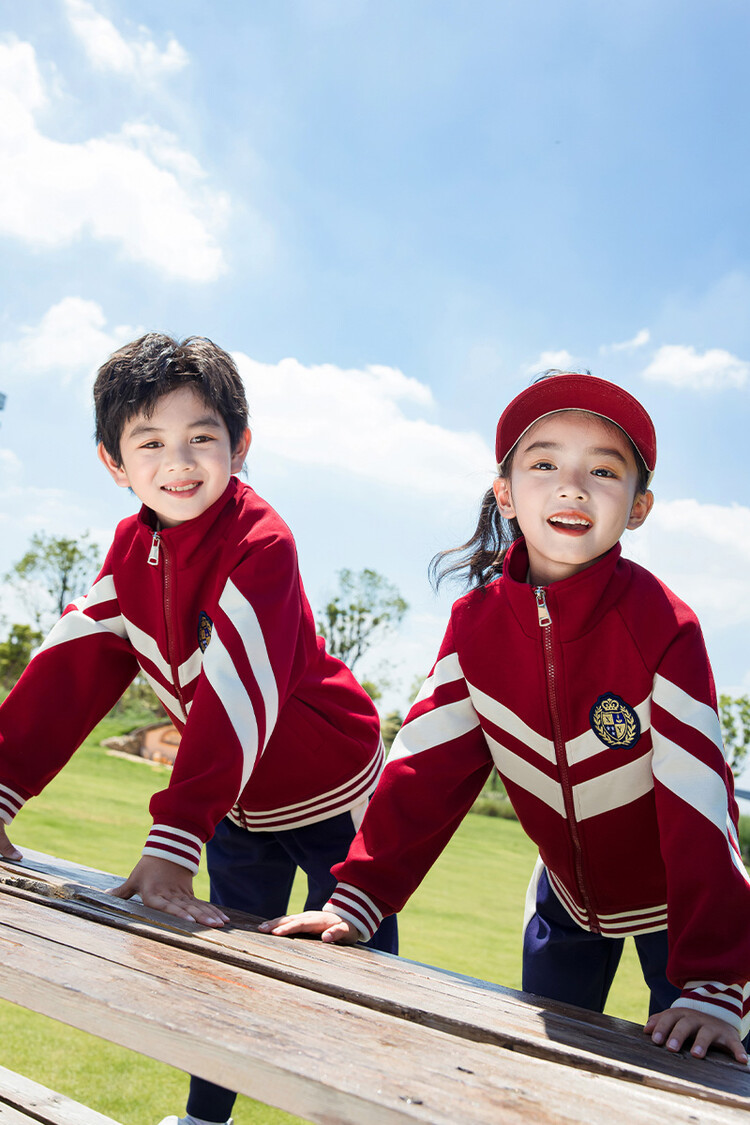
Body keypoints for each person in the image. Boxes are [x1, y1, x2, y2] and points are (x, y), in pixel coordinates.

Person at [261, 371, 750, 1066]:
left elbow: (699, 802)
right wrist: (357, 898)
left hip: (681, 911)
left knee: (706, 1074)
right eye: (544, 464)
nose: (572, 487)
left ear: (639, 507)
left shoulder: (665, 627)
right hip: (564, 900)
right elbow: (425, 771)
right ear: (506, 493)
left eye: (603, 470)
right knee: (531, 1072)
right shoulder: (475, 625)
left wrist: (715, 982)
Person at [0, 334, 397, 1125]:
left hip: (330, 791)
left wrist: (173, 842)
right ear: (114, 462)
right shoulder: (130, 549)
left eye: (201, 437)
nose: (178, 461)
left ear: (239, 447)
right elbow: (72, 666)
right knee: (218, 962)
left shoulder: (263, 541)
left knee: (354, 973)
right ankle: (204, 1118)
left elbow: (237, 691)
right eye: (150, 442)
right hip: (234, 806)